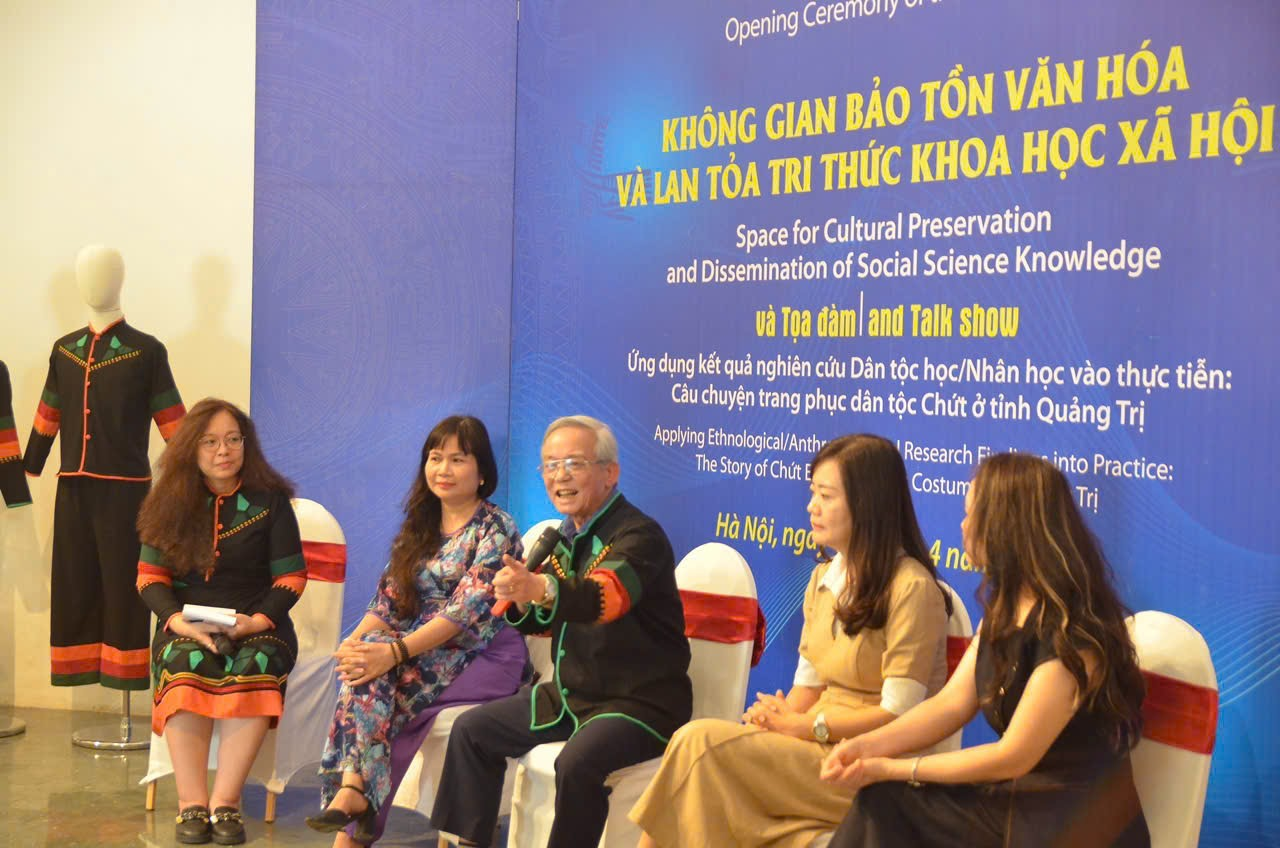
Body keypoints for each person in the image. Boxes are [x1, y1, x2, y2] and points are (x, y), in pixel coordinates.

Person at [631, 433, 952, 848]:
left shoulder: (912, 589)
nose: (811, 507)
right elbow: (808, 689)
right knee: (707, 758)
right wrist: (774, 722)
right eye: (812, 493)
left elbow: (898, 716)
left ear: (867, 504)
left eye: (826, 496)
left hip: (868, 764)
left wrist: (804, 726)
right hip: (814, 747)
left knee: (698, 743)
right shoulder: (823, 578)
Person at [820, 452, 1150, 848]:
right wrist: (865, 746)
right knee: (882, 802)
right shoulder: (1006, 609)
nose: (962, 526)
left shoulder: (1072, 632)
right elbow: (950, 707)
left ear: (1006, 526)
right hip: (1016, 803)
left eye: (971, 514)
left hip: (1068, 822)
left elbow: (1013, 756)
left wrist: (895, 768)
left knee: (888, 800)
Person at [430, 415, 692, 848]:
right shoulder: (563, 536)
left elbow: (604, 598)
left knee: (576, 764)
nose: (560, 476)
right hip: (571, 697)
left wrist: (540, 588)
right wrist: (520, 597)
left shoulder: (639, 535)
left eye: (574, 463)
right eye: (550, 465)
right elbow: (543, 619)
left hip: (639, 704)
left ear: (610, 473)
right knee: (472, 731)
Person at [305, 415, 526, 846]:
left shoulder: (496, 528)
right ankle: (354, 798)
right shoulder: (419, 526)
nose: (443, 469)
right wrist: (355, 645)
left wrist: (390, 654)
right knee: (365, 666)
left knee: (382, 683)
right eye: (435, 457)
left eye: (458, 459)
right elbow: (389, 602)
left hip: (483, 653)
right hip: (419, 649)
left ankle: (353, 812)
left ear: (482, 472)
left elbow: (462, 614)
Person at [136, 398, 303, 846]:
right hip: (185, 625)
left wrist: (256, 622)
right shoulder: (167, 501)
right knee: (184, 662)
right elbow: (149, 578)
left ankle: (225, 802)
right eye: (209, 442)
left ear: (246, 444)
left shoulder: (271, 501)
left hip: (258, 623)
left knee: (257, 663)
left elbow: (291, 578)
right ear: (191, 447)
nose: (223, 451)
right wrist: (177, 622)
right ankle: (191, 802)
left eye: (232, 440)